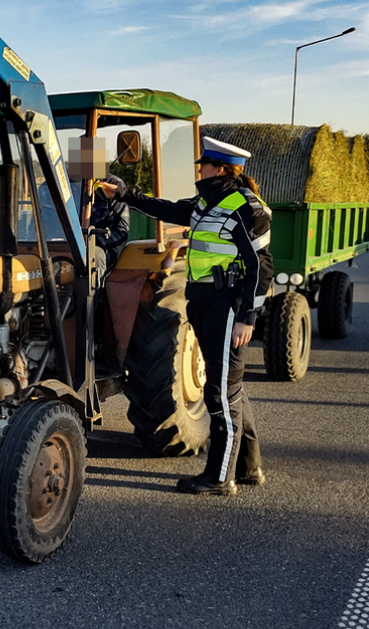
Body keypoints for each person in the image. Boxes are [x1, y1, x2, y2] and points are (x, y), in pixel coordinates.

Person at [100, 136, 273, 495]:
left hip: (228, 307)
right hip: (205, 302)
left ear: (220, 169)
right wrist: (125, 193)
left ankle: (220, 478)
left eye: (203, 165)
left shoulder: (246, 207)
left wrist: (248, 317)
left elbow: (261, 265)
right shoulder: (207, 203)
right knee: (230, 388)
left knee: (219, 392)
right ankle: (249, 467)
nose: (199, 170)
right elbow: (166, 209)